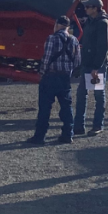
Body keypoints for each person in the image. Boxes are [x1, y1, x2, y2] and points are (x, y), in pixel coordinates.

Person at [27, 16, 81, 145]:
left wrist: (42, 73)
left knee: (45, 108)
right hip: (65, 78)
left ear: (57, 24)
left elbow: (46, 58)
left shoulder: (52, 38)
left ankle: (40, 137)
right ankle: (68, 135)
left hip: (50, 76)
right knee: (66, 107)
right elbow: (77, 61)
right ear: (68, 27)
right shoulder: (74, 40)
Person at [73, 0, 108, 136]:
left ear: (95, 8)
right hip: (88, 63)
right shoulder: (90, 21)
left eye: (88, 7)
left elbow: (103, 47)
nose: (85, 9)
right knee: (81, 94)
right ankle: (78, 126)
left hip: (96, 65)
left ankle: (98, 125)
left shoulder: (102, 23)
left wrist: (97, 66)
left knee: (98, 94)